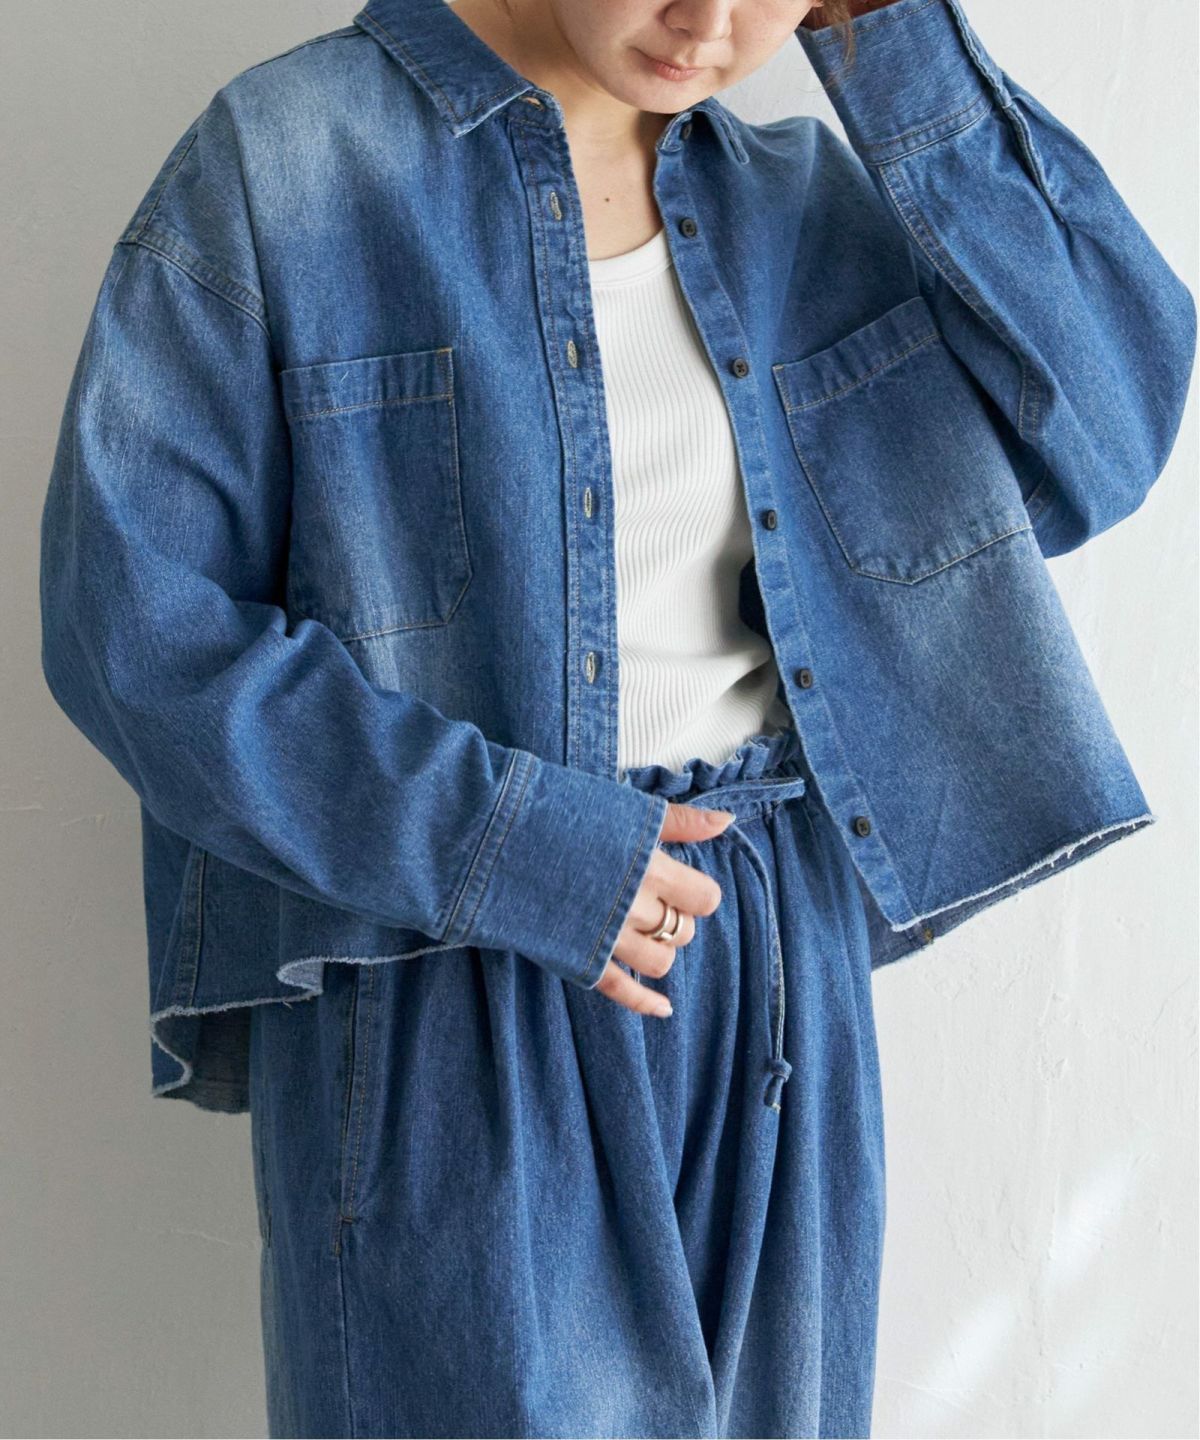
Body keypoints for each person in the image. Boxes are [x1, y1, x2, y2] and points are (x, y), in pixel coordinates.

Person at [38, 0, 1195, 1435]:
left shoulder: (800, 209)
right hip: (450, 960)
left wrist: (894, 40)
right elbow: (133, 626)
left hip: (769, 960)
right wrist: (513, 846)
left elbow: (1105, 427)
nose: (708, 22)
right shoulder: (288, 163)